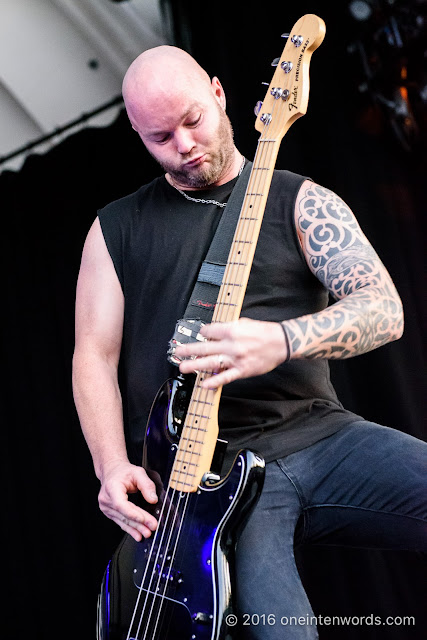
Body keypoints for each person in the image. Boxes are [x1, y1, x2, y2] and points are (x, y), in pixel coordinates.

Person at [72, 45, 427, 639]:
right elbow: (93, 354)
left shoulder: (301, 200)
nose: (184, 144)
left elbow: (384, 309)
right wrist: (110, 466)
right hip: (207, 484)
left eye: (192, 121)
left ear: (218, 92)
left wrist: (282, 341)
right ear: (136, 133)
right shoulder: (115, 230)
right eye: (160, 136)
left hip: (320, 438)